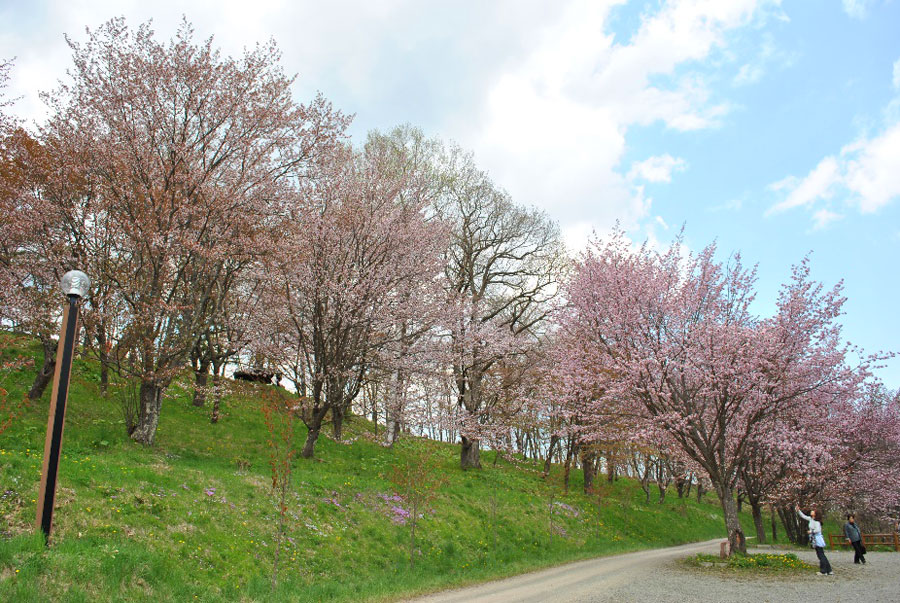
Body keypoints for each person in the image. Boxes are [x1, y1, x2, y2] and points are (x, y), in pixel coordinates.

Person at [797, 505, 833, 575]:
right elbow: (803, 516)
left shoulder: (817, 522)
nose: (812, 511)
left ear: (815, 514)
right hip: (815, 538)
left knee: (820, 555)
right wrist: (798, 511)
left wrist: (811, 531)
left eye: (813, 511)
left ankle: (823, 571)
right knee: (821, 554)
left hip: (817, 539)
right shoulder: (811, 519)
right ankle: (829, 570)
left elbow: (818, 530)